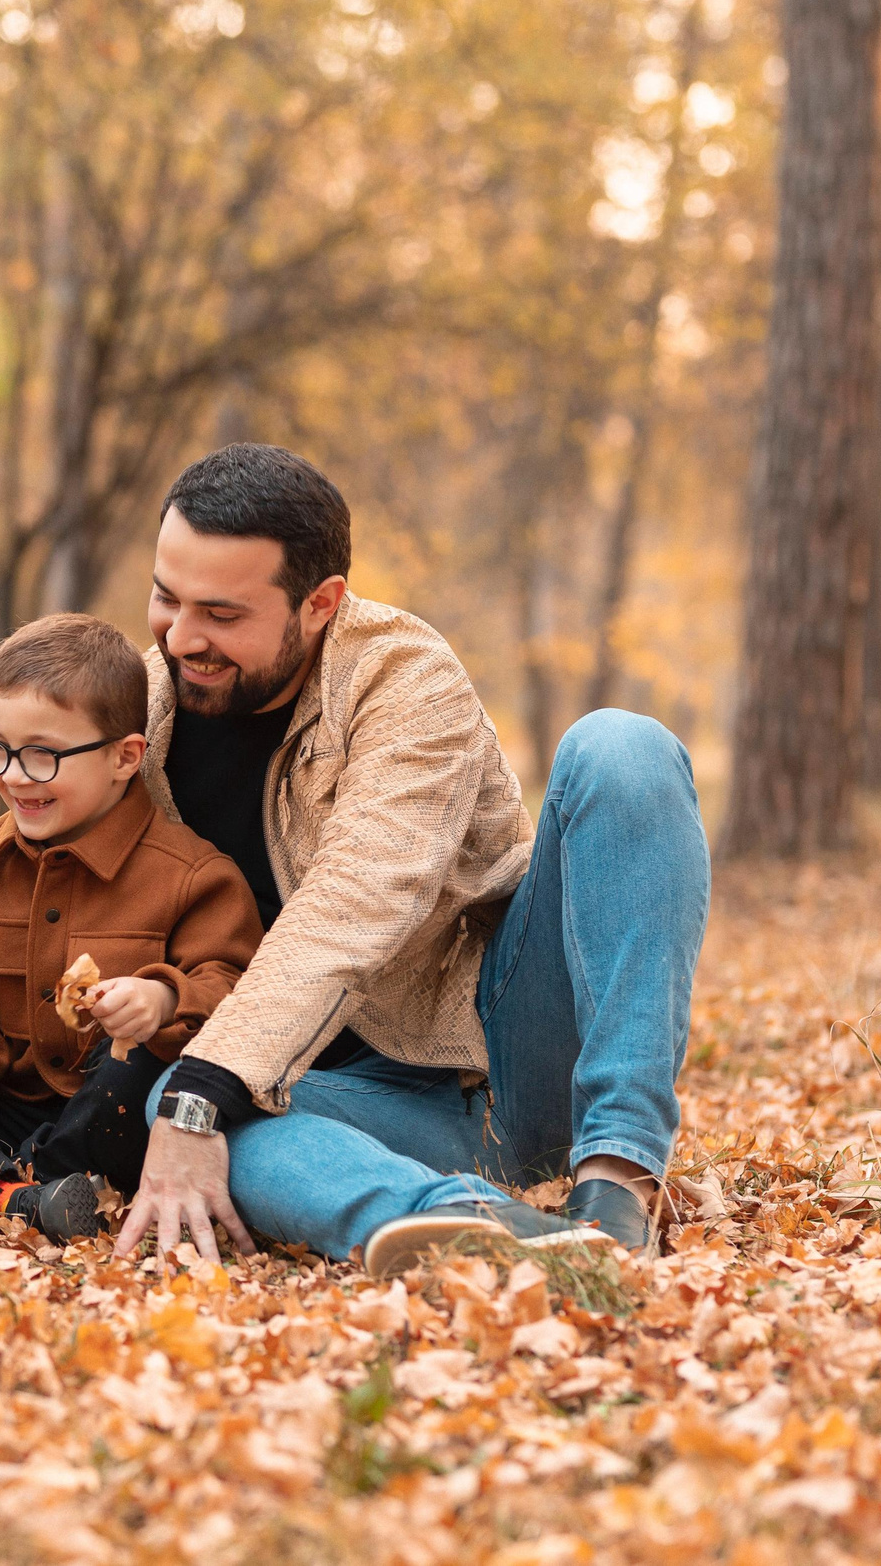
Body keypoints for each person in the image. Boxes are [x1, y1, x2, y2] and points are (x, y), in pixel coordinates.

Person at [113, 444, 710, 1278]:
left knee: (624, 745)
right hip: (355, 1108)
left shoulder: (403, 678)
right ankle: (482, 1228)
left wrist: (204, 1081)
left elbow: (364, 889)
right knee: (185, 1110)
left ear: (320, 604)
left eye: (221, 613)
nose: (182, 637)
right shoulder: (142, 708)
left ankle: (614, 1184)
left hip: (503, 1054)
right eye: (164, 598)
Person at [0, 613, 264, 1242]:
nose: (12, 774)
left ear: (123, 757)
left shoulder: (194, 876)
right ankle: (28, 1193)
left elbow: (236, 986)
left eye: (42, 755)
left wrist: (165, 997)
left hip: (112, 1111)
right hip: (7, 1098)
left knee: (134, 1070)